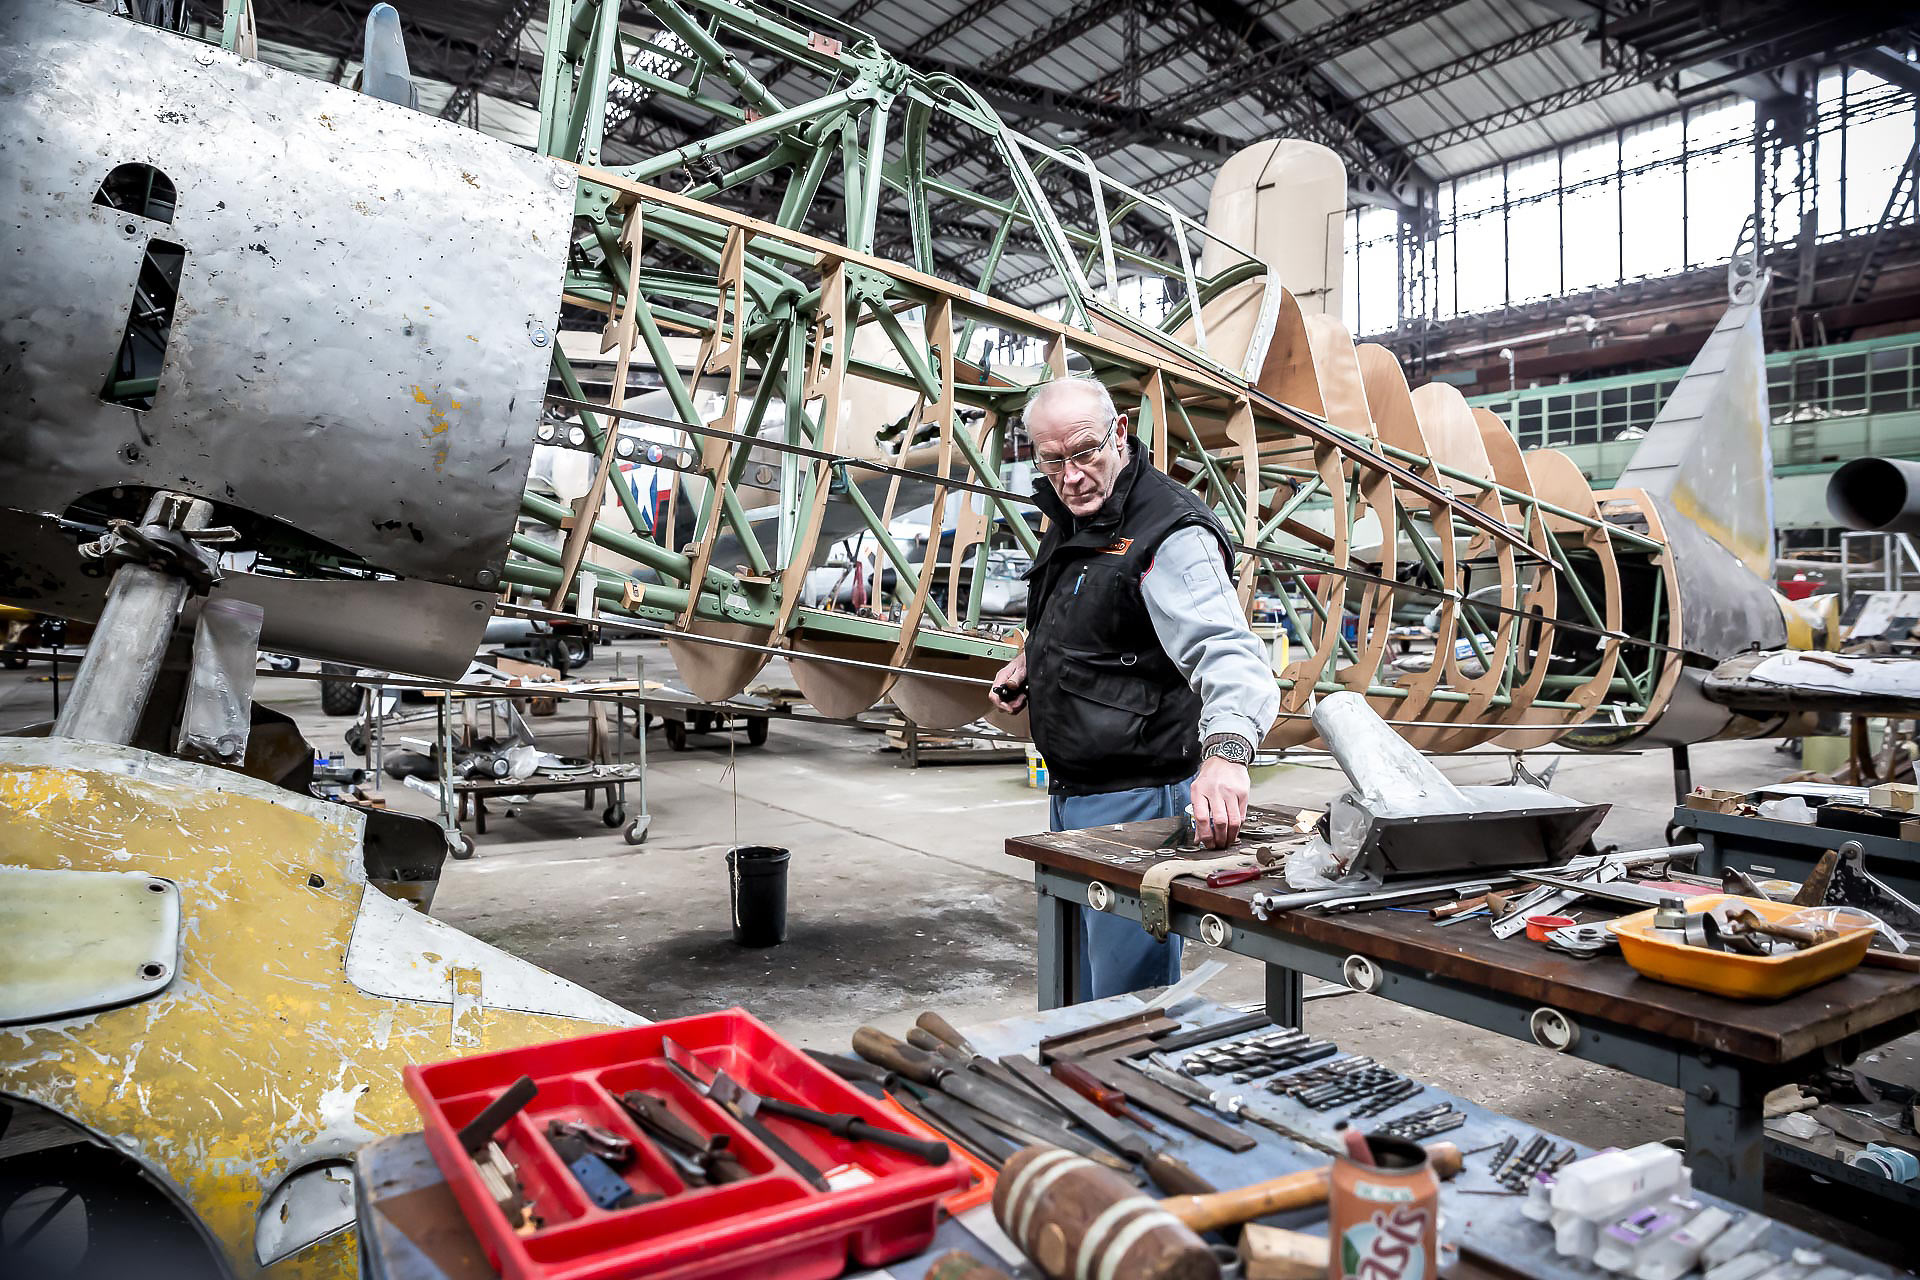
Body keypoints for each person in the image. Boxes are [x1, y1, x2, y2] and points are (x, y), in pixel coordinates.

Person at [991, 377, 1279, 1001]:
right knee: (1071, 991)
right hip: (1074, 791)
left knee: (1126, 1007)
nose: (1070, 476)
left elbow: (1231, 654)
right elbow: (1091, 615)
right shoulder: (1074, 513)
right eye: (1052, 460)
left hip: (1137, 799)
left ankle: (1122, 1096)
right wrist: (1032, 665)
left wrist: (1227, 758)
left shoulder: (1169, 533)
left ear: (1121, 432)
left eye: (1085, 451)